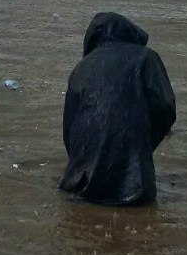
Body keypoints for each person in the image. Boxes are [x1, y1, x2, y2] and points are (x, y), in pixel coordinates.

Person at [59, 12, 176, 206]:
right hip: (133, 188)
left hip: (79, 185)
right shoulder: (146, 58)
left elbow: (69, 128)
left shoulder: (81, 67)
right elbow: (165, 107)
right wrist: (141, 144)